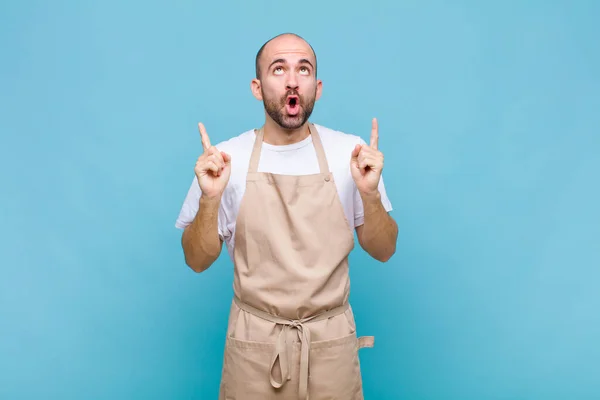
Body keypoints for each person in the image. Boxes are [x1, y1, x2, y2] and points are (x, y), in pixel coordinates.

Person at [175, 32, 398, 400]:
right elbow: (196, 260)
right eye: (278, 69)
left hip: (329, 349)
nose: (292, 80)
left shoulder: (350, 154)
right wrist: (209, 200)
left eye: (303, 69)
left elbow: (384, 249)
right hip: (255, 350)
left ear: (317, 86)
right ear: (257, 87)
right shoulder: (226, 160)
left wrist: (370, 194)